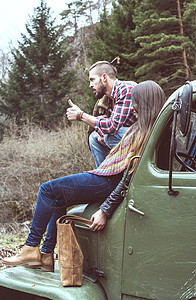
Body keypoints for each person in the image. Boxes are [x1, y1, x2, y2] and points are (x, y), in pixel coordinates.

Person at [3, 81, 166, 273]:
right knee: (59, 198)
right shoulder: (143, 128)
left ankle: (30, 247)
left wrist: (105, 210)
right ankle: (46, 256)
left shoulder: (150, 134)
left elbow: (128, 178)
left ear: (145, 103)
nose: (132, 106)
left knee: (47, 190)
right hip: (106, 178)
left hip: (108, 182)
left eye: (135, 102)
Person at [67, 60, 137, 167]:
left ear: (104, 78)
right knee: (94, 138)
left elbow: (111, 126)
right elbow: (104, 125)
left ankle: (123, 171)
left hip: (146, 139)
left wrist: (80, 115)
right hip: (129, 137)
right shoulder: (107, 99)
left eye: (92, 80)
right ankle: (105, 174)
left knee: (109, 137)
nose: (90, 85)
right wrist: (102, 132)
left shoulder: (125, 89)